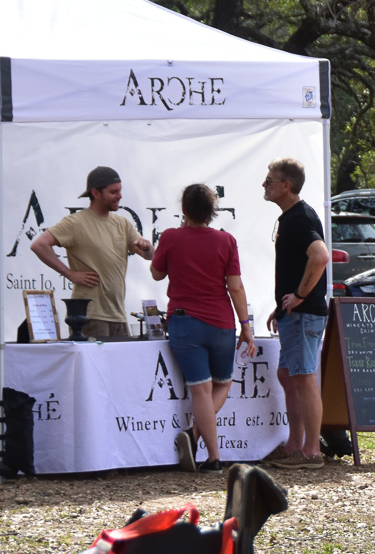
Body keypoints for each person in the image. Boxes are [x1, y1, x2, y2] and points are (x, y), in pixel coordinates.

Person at [151, 184, 256, 473]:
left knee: (200, 389)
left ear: (183, 210)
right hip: (221, 322)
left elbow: (157, 274)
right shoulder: (226, 241)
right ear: (212, 212)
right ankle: (199, 443)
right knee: (223, 384)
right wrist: (246, 326)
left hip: (183, 321)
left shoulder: (171, 237)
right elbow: (235, 287)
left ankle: (212, 455)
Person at [263, 158, 330, 470]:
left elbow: (320, 256)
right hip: (297, 315)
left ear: (285, 185)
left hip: (305, 315)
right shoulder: (292, 217)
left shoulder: (300, 218)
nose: (265, 185)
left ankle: (311, 451)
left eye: (269, 180)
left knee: (303, 377)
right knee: (288, 375)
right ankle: (295, 444)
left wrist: (300, 296)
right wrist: (282, 305)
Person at [31, 166, 153, 337]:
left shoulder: (123, 223)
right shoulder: (75, 222)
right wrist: (70, 274)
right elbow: (39, 245)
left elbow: (150, 256)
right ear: (95, 193)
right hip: (89, 316)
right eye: (113, 192)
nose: (120, 196)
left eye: (120, 191)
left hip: (118, 314)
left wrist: (146, 247)